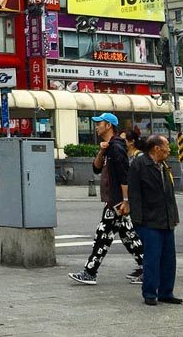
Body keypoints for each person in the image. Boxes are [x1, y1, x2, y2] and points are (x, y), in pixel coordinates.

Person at [69, 113, 143, 286]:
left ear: (108, 125)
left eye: (99, 124)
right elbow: (96, 168)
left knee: (103, 235)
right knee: (128, 236)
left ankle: (90, 272)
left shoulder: (117, 147)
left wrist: (126, 200)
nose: (96, 127)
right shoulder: (109, 147)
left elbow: (124, 175)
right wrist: (102, 151)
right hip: (115, 200)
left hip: (116, 201)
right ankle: (149, 267)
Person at [128, 134, 182, 305]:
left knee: (169, 259)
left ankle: (166, 292)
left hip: (166, 220)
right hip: (149, 221)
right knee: (152, 258)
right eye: (166, 145)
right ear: (156, 148)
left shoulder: (163, 165)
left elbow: (170, 194)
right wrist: (137, 220)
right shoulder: (139, 164)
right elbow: (134, 194)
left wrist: (174, 216)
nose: (169, 149)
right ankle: (150, 293)